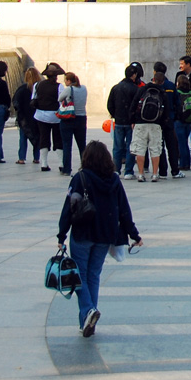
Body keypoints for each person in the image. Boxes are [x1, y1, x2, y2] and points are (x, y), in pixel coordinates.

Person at [57, 140, 142, 338]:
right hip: (105, 234)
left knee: (80, 276)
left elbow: (68, 207)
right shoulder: (114, 180)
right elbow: (124, 209)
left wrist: (62, 234)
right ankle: (87, 321)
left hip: (83, 233)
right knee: (93, 275)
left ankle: (88, 311)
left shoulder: (80, 178)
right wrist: (134, 234)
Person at [130, 69, 170, 182]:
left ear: (153, 79)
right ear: (162, 82)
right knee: (155, 149)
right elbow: (166, 111)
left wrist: (133, 120)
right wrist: (163, 123)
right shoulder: (162, 93)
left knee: (140, 150)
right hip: (156, 125)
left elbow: (133, 105)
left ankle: (141, 174)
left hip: (140, 123)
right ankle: (154, 174)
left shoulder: (143, 89)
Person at [107, 62, 143, 176]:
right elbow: (137, 106)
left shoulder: (116, 87)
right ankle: (128, 171)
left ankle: (116, 170)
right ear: (134, 75)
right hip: (130, 122)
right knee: (130, 147)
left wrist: (115, 114)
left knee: (117, 147)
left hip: (118, 121)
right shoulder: (135, 89)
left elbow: (110, 104)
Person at [33, 63, 65, 171]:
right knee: (58, 138)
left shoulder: (37, 85)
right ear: (56, 76)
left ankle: (44, 163)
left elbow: (34, 99)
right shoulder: (59, 86)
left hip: (41, 115)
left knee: (44, 138)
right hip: (56, 116)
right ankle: (61, 163)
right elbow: (62, 101)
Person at [57, 71, 89, 175]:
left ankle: (67, 169)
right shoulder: (84, 88)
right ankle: (85, 167)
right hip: (82, 118)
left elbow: (59, 99)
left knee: (67, 145)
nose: (65, 82)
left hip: (69, 118)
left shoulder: (68, 89)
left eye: (65, 80)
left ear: (69, 81)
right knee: (82, 144)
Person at [14, 66, 40, 165]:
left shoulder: (22, 89)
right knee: (37, 137)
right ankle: (36, 158)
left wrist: (19, 112)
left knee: (23, 137)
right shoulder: (39, 87)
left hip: (24, 118)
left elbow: (15, 102)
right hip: (37, 116)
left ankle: (21, 158)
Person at [174, 74, 191, 173]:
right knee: (185, 141)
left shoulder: (178, 94)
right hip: (190, 120)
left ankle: (184, 164)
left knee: (182, 143)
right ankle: (187, 162)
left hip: (180, 120)